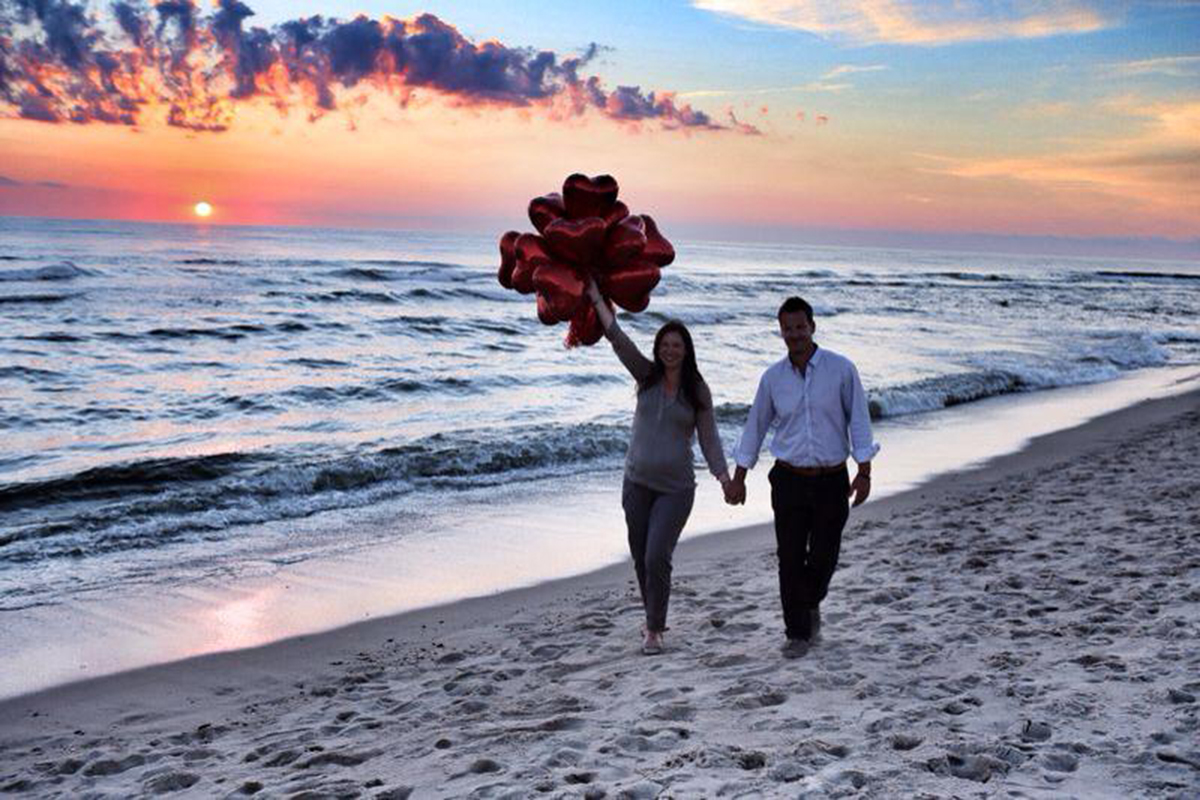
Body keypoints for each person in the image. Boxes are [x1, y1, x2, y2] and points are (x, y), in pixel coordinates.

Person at [725, 296, 878, 658]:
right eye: (787, 329)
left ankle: (810, 602)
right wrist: (739, 477)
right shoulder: (773, 379)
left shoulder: (841, 370)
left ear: (812, 327)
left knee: (824, 557)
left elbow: (859, 420)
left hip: (831, 480)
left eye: (800, 327)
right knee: (789, 558)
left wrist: (865, 470)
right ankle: (797, 634)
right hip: (788, 479)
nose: (794, 334)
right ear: (781, 332)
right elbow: (755, 429)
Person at [585, 280, 732, 655]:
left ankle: (654, 629)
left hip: (675, 489)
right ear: (658, 349)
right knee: (640, 556)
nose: (670, 351)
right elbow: (617, 337)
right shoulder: (645, 376)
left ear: (687, 351)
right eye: (665, 345)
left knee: (656, 556)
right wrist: (596, 296)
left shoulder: (697, 391)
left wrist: (725, 477)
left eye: (677, 346)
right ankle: (653, 615)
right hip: (636, 483)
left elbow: (710, 438)